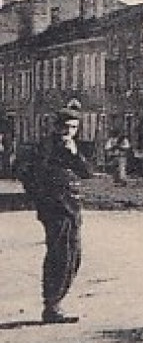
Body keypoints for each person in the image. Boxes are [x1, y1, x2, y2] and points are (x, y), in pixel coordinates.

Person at [33, 102, 94, 324]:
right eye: (66, 126)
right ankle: (52, 305)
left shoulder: (74, 148)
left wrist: (75, 153)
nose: (69, 132)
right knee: (60, 254)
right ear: (57, 126)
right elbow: (33, 176)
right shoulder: (45, 148)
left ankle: (57, 301)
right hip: (55, 209)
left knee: (74, 255)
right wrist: (44, 201)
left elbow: (87, 172)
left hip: (72, 208)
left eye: (74, 127)